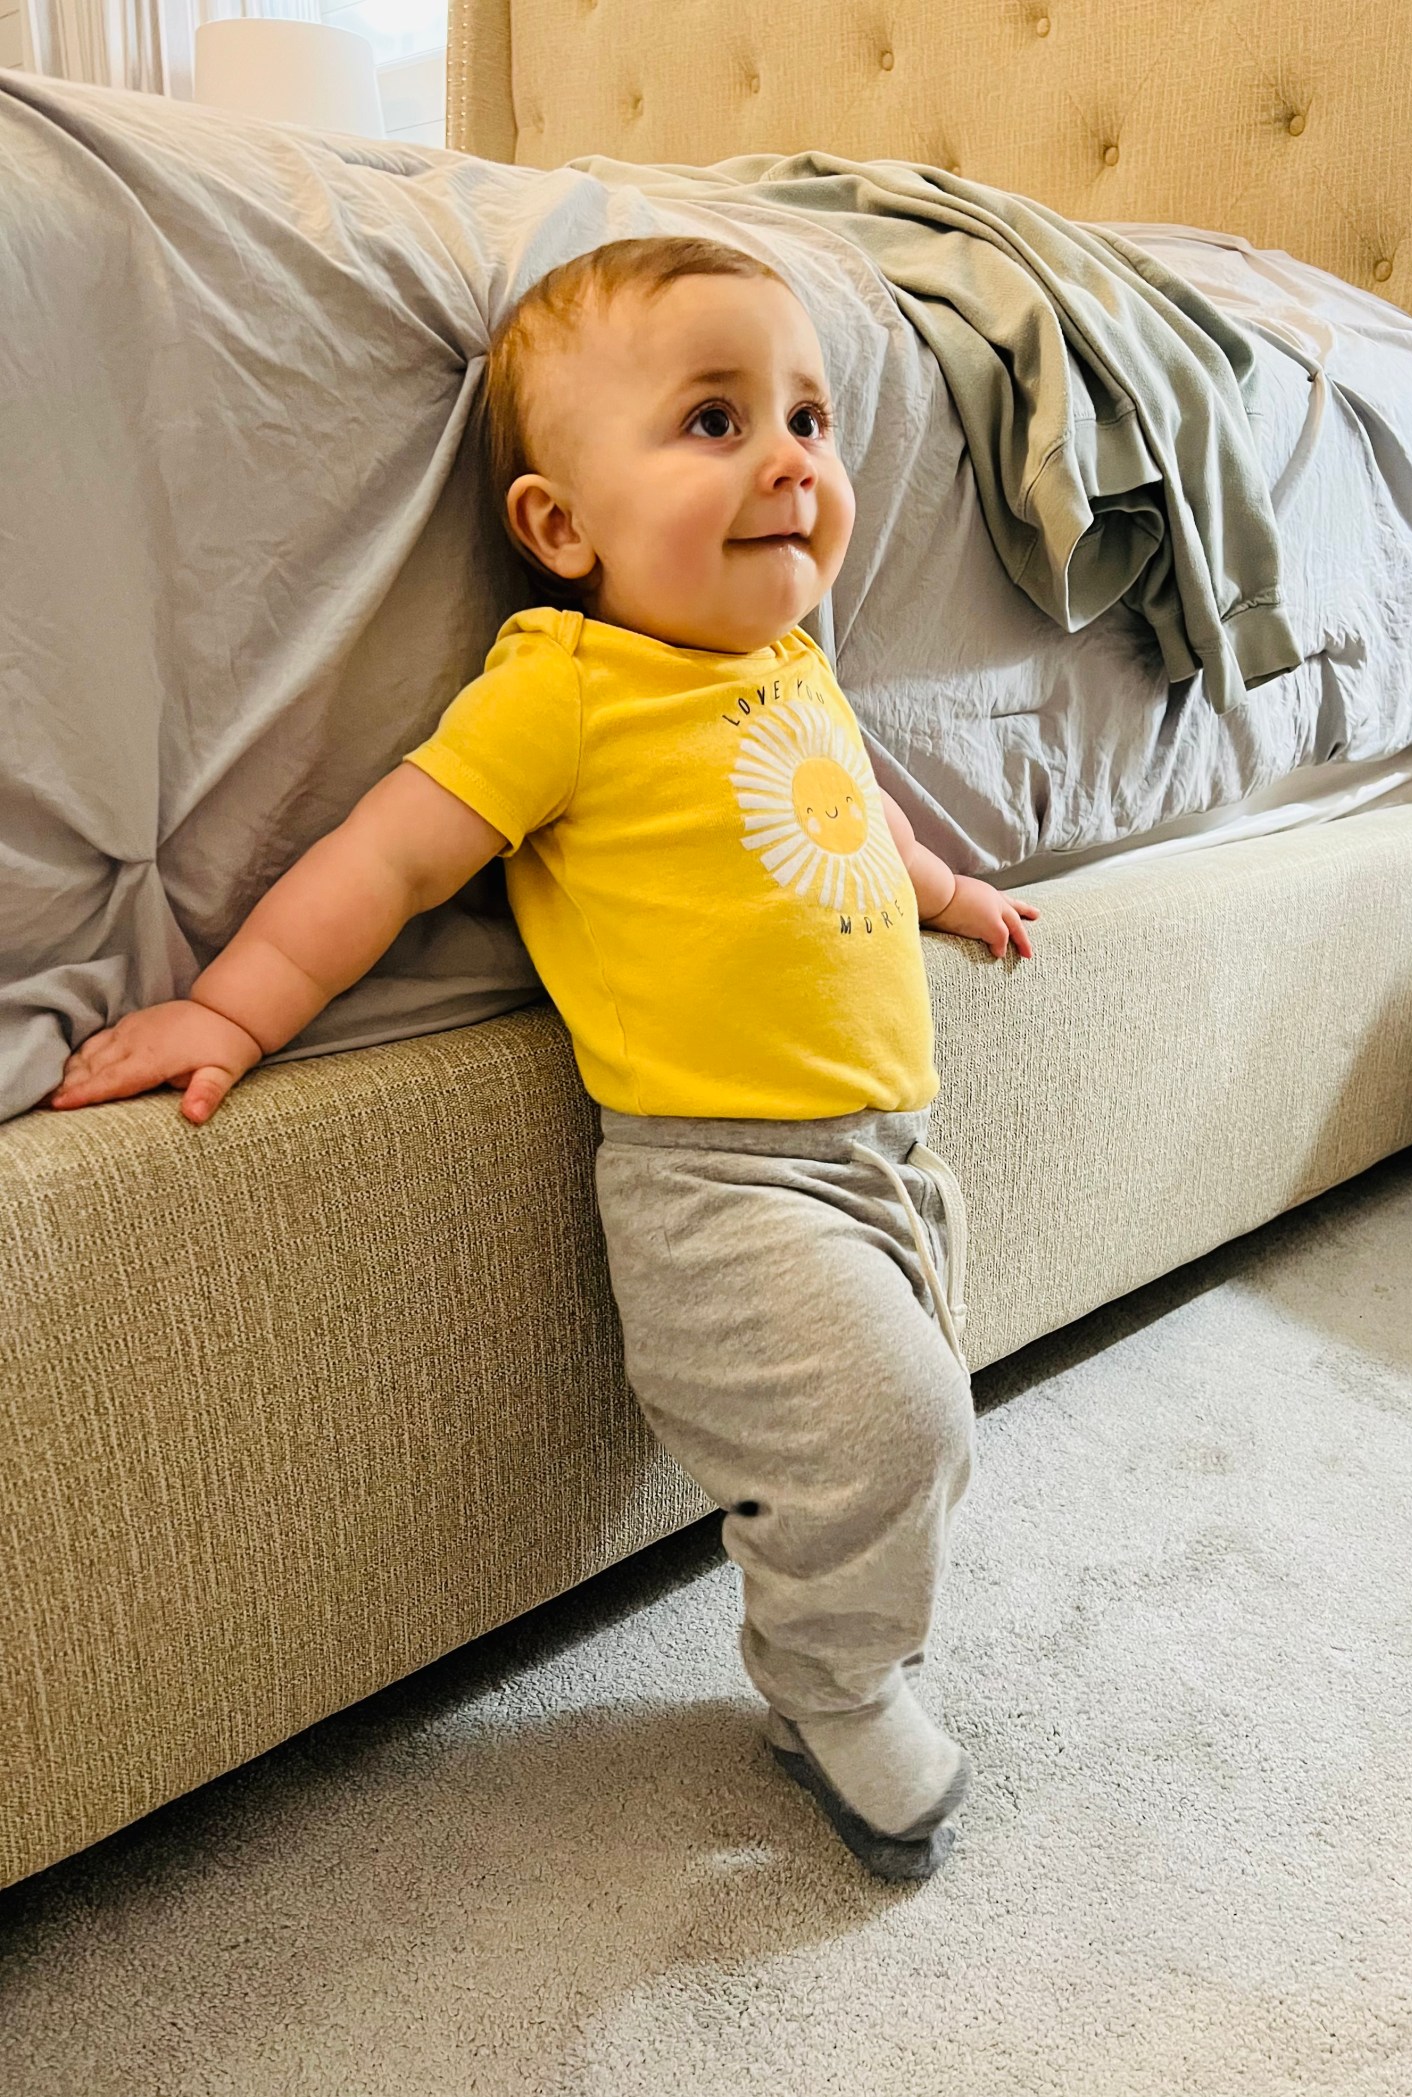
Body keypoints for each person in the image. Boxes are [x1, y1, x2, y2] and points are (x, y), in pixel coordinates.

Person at [48, 236, 1039, 1881]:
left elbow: (854, 808)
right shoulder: (569, 687)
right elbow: (388, 857)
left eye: (808, 418)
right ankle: (832, 1687)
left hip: (885, 1152)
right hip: (725, 1182)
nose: (792, 458)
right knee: (901, 1427)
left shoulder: (794, 662)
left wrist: (946, 891)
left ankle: (849, 1632)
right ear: (561, 527)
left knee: (914, 1429)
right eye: (716, 421)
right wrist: (232, 1008)